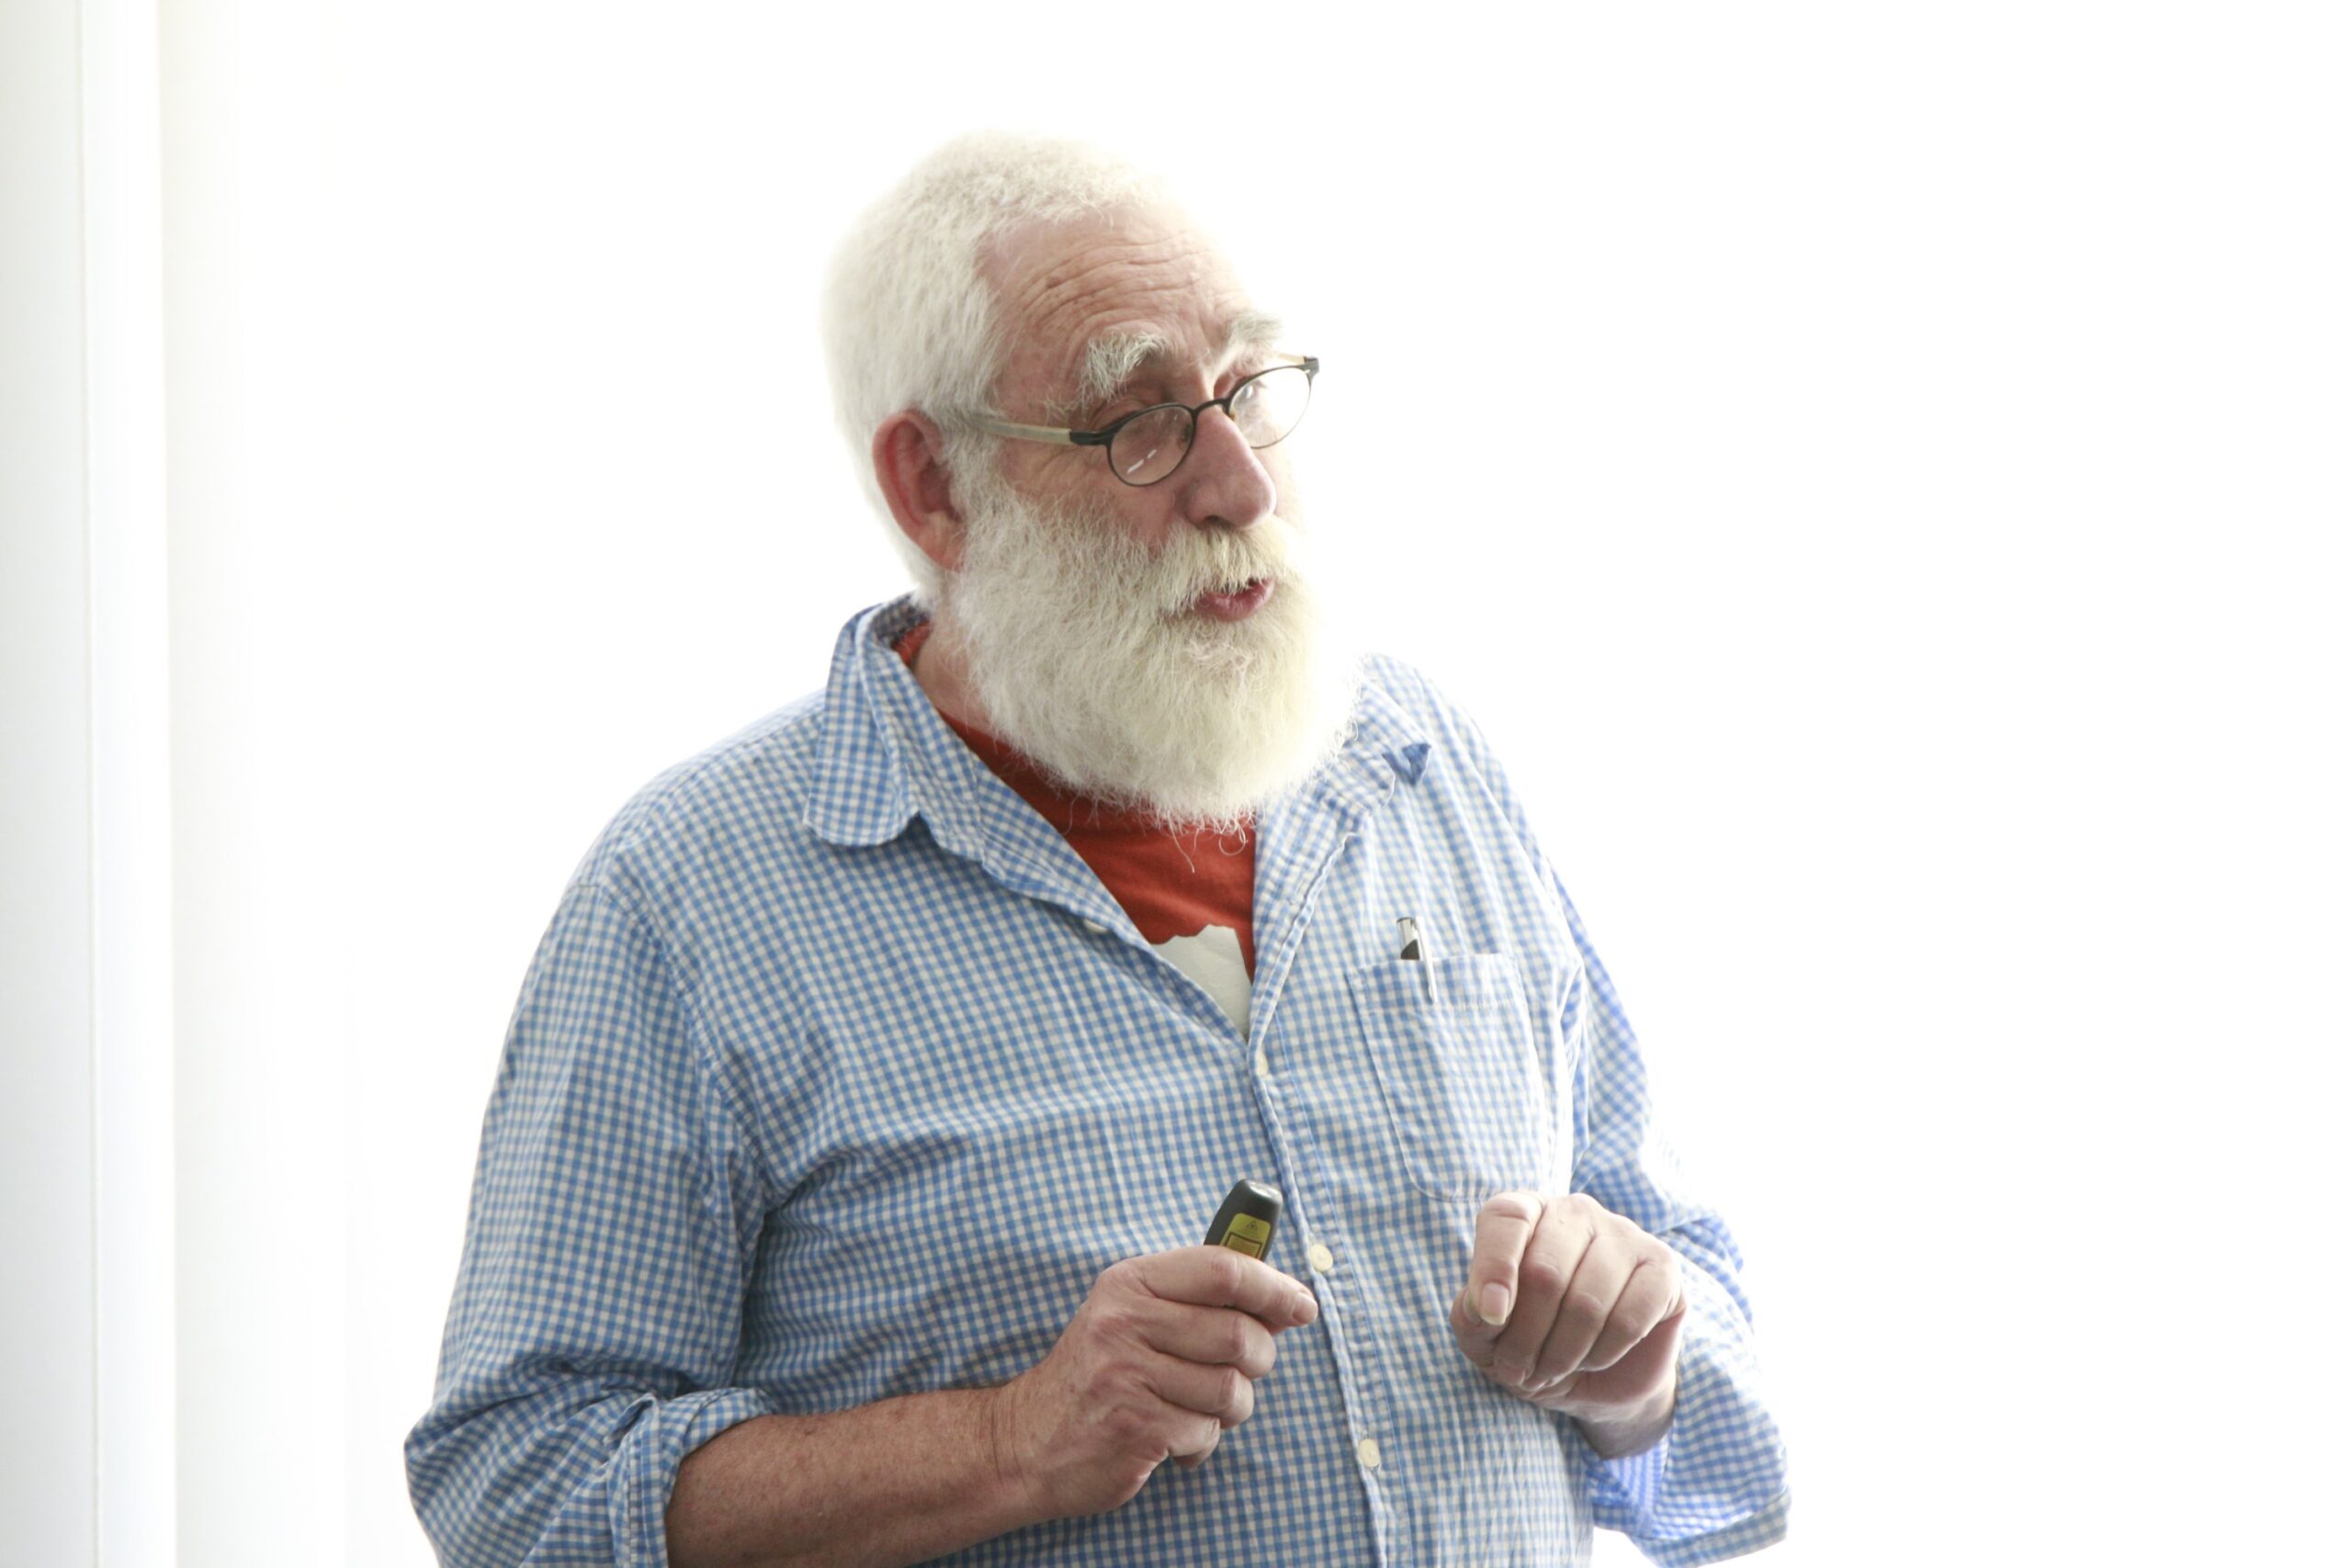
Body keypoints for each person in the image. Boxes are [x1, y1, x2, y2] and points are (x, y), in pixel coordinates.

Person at [405, 130, 1790, 1568]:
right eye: (1139, 422)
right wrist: (1009, 1443)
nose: (1242, 484)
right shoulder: (690, 898)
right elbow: (515, 1491)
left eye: (1247, 389)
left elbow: (1730, 1419)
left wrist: (1633, 1375)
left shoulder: (1419, 761)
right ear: (935, 489)